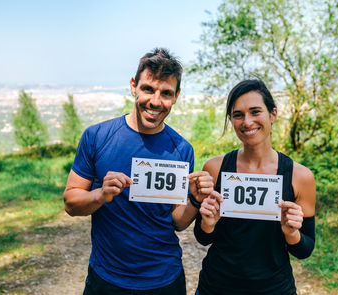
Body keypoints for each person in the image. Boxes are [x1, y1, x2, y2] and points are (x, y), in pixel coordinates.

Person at [63, 48, 213, 295]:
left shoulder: (182, 149)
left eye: (166, 93)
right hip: (106, 278)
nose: (155, 101)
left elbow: (177, 221)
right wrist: (99, 195)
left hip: (165, 280)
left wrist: (196, 199)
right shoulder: (97, 136)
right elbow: (71, 203)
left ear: (176, 96)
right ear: (133, 86)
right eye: (148, 89)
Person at [194, 79, 316, 295]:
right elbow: (203, 238)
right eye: (238, 115)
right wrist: (208, 224)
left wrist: (292, 234)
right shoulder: (215, 168)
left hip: (274, 289)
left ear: (273, 114)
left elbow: (305, 249)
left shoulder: (300, 176)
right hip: (216, 287)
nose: (247, 122)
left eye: (255, 112)